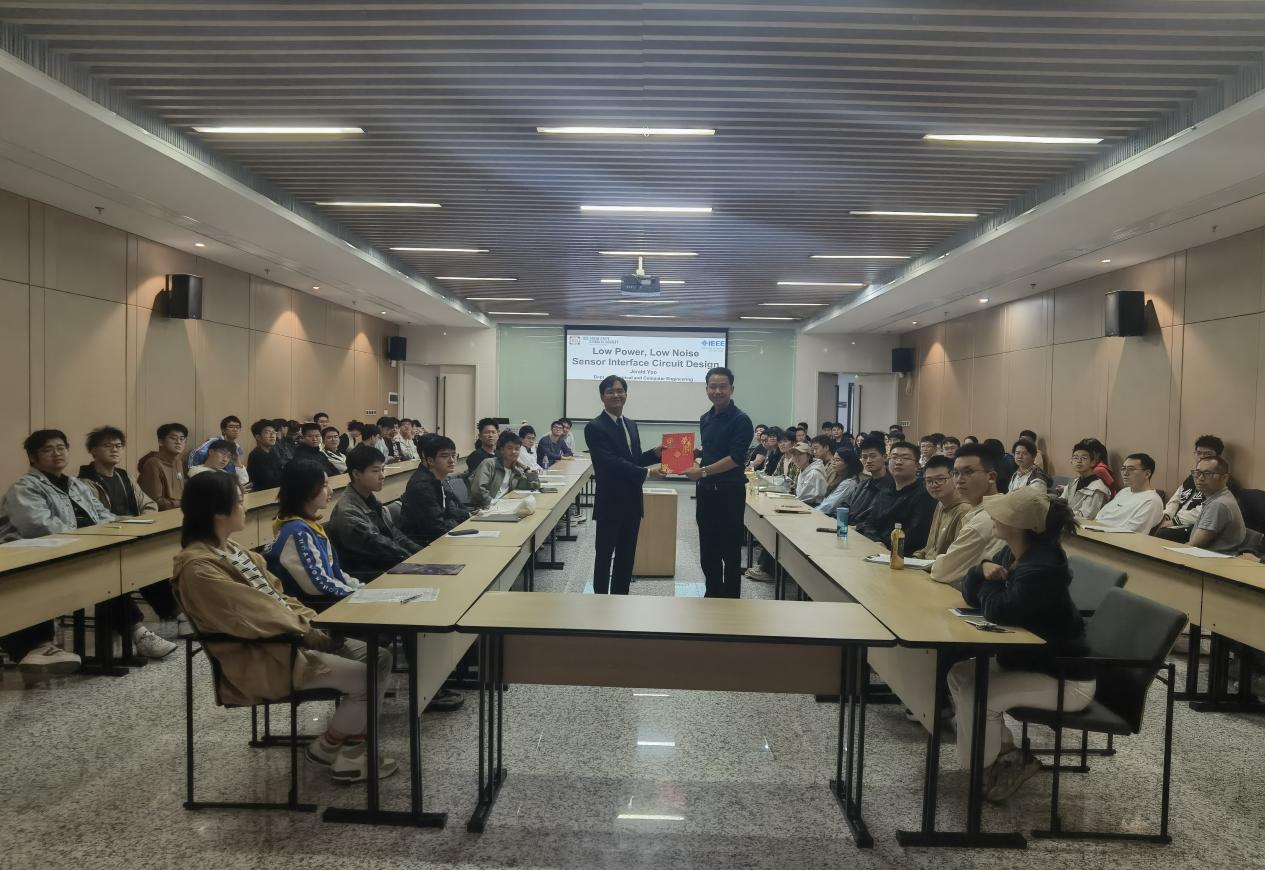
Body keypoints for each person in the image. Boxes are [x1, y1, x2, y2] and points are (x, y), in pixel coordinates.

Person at [172, 471, 396, 783]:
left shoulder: (233, 550)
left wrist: (316, 624)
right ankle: (347, 756)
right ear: (218, 512)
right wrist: (311, 633)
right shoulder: (199, 568)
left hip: (290, 641)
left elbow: (280, 597)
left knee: (380, 657)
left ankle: (330, 747)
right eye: (240, 501)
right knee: (367, 677)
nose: (245, 508)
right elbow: (257, 615)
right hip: (265, 656)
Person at [948, 488, 1093, 803]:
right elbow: (971, 594)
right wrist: (982, 569)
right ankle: (1007, 756)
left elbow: (1000, 611)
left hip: (1065, 679)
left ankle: (981, 768)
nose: (994, 516)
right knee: (959, 673)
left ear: (1021, 525)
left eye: (1002, 514)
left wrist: (988, 579)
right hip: (1028, 663)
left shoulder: (1043, 568)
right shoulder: (1014, 552)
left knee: (976, 694)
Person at [77, 426, 182, 652]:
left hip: (132, 537)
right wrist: (127, 524)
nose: (115, 450)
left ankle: (177, 614)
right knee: (114, 581)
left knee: (150, 568)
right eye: (108, 445)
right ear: (93, 451)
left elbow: (148, 504)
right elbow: (95, 518)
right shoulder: (85, 483)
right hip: (104, 545)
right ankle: (138, 632)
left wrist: (143, 522)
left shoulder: (124, 476)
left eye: (118, 445)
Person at [584, 375, 666, 595]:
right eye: (610, 391)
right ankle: (600, 600)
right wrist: (648, 472)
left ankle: (621, 598)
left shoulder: (630, 424)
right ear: (602, 396)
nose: (616, 395)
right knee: (604, 555)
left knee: (626, 555)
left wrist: (654, 454)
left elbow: (634, 459)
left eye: (620, 391)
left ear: (626, 394)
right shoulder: (594, 427)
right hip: (610, 502)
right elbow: (609, 462)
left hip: (632, 502)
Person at [684, 366, 754, 598]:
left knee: (730, 554)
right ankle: (712, 595)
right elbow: (713, 450)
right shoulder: (705, 418)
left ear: (731, 389)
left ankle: (731, 601)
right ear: (706, 389)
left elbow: (735, 458)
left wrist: (703, 471)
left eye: (722, 386)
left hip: (729, 495)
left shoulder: (741, 420)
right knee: (708, 551)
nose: (717, 391)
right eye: (712, 387)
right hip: (706, 494)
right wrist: (695, 453)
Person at [265, 461, 362, 600]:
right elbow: (319, 585)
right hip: (313, 607)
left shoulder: (308, 526)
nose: (331, 491)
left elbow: (334, 571)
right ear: (305, 489)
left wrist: (360, 588)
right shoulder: (296, 532)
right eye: (324, 485)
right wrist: (358, 596)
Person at [327, 445, 420, 578]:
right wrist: (415, 560)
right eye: (376, 471)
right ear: (356, 474)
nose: (382, 476)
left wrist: (420, 552)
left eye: (383, 469)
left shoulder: (371, 500)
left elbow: (395, 534)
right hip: (370, 575)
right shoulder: (348, 512)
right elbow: (380, 547)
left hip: (388, 564)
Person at [928, 443, 1005, 585]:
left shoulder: (986, 518)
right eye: (956, 473)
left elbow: (941, 571)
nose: (959, 480)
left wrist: (940, 561)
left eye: (968, 472)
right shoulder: (997, 505)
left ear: (991, 477)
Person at [856, 440, 936, 553]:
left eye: (905, 458)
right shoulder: (885, 490)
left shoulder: (924, 494)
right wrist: (876, 541)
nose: (898, 462)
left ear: (917, 465)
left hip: (902, 555)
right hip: (877, 549)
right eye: (894, 457)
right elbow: (869, 523)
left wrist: (885, 546)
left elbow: (916, 535)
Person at [400, 435, 471, 547]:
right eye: (445, 456)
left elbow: (449, 511)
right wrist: (459, 520)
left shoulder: (438, 479)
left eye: (454, 455)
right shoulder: (422, 486)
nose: (451, 460)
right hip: (425, 545)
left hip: (442, 538)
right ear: (430, 460)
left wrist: (467, 515)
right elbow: (437, 528)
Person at [1160, 435, 1226, 531]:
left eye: (1207, 454)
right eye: (1199, 453)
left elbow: (1207, 510)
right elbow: (1175, 500)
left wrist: (1174, 522)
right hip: (1174, 522)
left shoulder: (1220, 481)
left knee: (1161, 533)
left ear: (1218, 457)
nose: (1201, 457)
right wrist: (1166, 516)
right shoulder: (1191, 477)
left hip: (1194, 526)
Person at [912, 455, 971, 559]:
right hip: (926, 564)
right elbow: (930, 548)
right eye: (929, 481)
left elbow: (957, 558)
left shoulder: (964, 510)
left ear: (955, 477)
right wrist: (914, 559)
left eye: (940, 479)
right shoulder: (940, 503)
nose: (934, 485)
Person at [1186, 456, 1247, 553]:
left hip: (1211, 559)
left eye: (1208, 474)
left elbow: (1195, 545)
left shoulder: (1218, 504)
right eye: (1197, 473)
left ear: (1225, 478)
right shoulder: (1224, 496)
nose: (1200, 478)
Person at [468, 430, 541, 510]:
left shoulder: (515, 470)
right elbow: (478, 490)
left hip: (504, 506)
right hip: (486, 508)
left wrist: (526, 468)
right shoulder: (489, 464)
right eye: (509, 448)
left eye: (517, 449)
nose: (514, 452)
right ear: (502, 450)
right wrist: (493, 503)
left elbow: (533, 486)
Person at [1094, 453, 1165, 532]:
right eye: (1123, 468)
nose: (1125, 473)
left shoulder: (1152, 501)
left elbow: (1132, 531)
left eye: (1131, 469)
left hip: (1112, 537)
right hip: (1096, 531)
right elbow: (1101, 514)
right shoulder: (1124, 491)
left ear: (1147, 474)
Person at [189, 416, 249, 489]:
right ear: (223, 430)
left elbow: (243, 480)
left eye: (237, 427)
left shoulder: (237, 448)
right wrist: (196, 475)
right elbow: (195, 455)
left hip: (226, 482)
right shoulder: (212, 443)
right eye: (231, 427)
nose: (235, 430)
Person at [138, 422, 188, 510]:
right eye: (173, 438)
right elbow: (154, 501)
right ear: (161, 442)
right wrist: (184, 503)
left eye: (182, 439)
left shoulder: (179, 462)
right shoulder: (153, 463)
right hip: (160, 514)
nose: (178, 442)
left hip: (178, 511)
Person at [847, 434, 892, 527]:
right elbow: (845, 504)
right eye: (864, 457)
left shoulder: (893, 486)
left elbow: (881, 520)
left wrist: (857, 527)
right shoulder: (862, 484)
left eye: (873, 456)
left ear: (884, 457)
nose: (868, 461)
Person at [1061, 440, 1112, 520]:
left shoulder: (1098, 489)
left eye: (1084, 458)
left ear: (1093, 462)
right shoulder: (1074, 482)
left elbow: (1086, 516)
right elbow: (1061, 501)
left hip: (1083, 525)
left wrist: (1061, 513)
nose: (1079, 461)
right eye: (1075, 458)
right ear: (1071, 461)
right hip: (1067, 521)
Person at [817, 449, 864, 519]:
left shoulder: (849, 482)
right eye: (833, 459)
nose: (833, 463)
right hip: (825, 513)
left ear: (847, 463)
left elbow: (830, 505)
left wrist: (814, 512)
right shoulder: (839, 477)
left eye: (837, 460)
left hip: (834, 517)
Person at [246, 419, 284, 490]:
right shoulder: (256, 456)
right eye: (267, 432)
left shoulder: (272, 452)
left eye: (274, 432)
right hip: (262, 493)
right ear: (258, 437)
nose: (272, 436)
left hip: (274, 491)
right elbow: (270, 481)